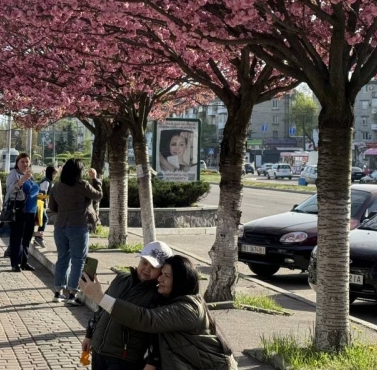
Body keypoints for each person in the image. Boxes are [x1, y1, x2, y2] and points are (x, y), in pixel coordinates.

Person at [80, 255, 236, 370]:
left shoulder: (188, 308)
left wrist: (99, 297)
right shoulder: (164, 299)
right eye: (161, 273)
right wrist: (90, 333)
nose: (159, 279)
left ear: (180, 281)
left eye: (166, 276)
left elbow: (147, 320)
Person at [81, 241, 174, 370]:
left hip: (124, 359)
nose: (147, 268)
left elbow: (156, 335)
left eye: (153, 266)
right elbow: (101, 310)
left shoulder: (157, 296)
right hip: (98, 351)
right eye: (144, 262)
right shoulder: (120, 279)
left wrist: (152, 362)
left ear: (162, 271)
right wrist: (89, 335)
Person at [48, 158, 103, 305]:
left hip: (60, 227)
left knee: (62, 259)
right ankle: (72, 294)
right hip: (78, 226)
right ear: (78, 172)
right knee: (78, 260)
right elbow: (98, 195)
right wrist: (95, 179)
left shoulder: (57, 187)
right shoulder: (82, 185)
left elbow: (52, 208)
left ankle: (58, 292)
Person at [6, 153, 40, 272]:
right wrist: (22, 181)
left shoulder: (30, 176)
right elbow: (10, 190)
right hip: (18, 210)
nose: (25, 164)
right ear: (17, 163)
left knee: (27, 238)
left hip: (31, 210)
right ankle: (15, 263)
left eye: (27, 161)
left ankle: (24, 262)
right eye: (22, 162)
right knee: (16, 238)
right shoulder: (13, 174)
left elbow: (33, 191)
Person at [34, 165, 58, 246]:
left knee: (42, 220)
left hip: (42, 204)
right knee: (44, 220)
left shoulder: (48, 181)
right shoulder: (46, 182)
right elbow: (41, 195)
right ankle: (38, 237)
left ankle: (38, 237)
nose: (55, 175)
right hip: (40, 204)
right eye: (54, 173)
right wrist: (50, 197)